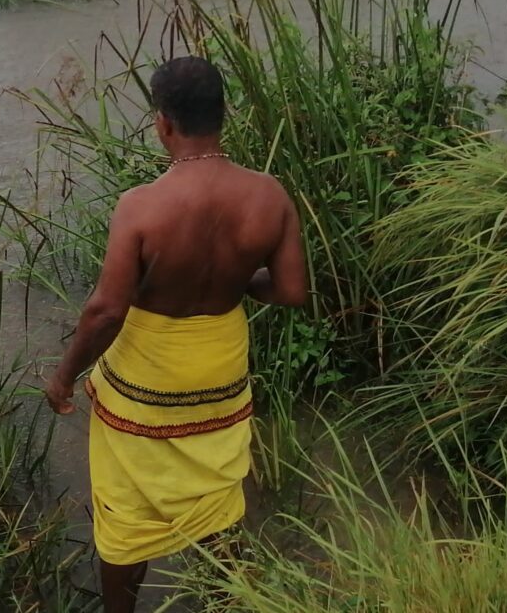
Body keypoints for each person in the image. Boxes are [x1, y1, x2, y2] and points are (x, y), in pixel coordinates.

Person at [43, 56, 308, 613]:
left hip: (147, 376)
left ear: (163, 122)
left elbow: (106, 310)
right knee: (216, 493)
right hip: (219, 367)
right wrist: (235, 283)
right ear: (223, 115)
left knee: (127, 508)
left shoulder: (140, 206)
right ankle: (225, 600)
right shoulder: (270, 196)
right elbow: (290, 292)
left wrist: (65, 376)